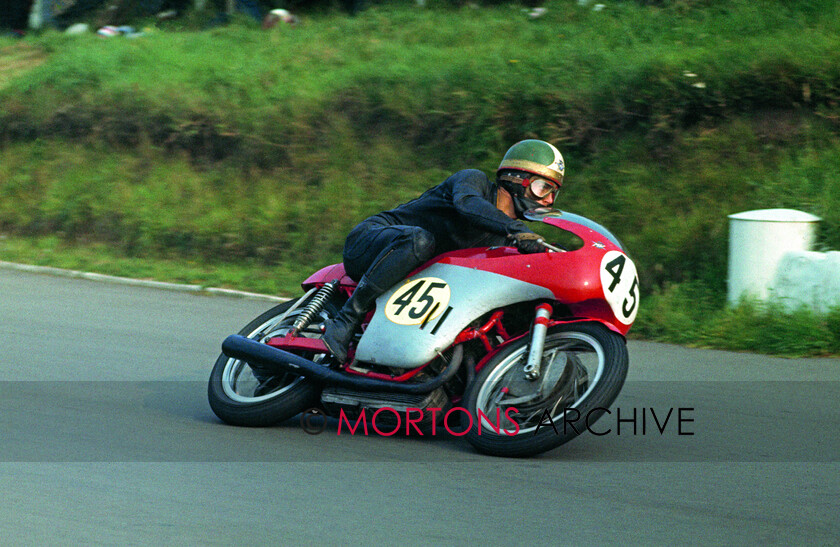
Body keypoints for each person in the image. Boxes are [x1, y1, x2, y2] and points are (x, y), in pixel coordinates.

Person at [323, 139, 566, 362]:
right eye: (542, 188)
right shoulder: (473, 181)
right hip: (371, 244)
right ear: (516, 178)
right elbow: (467, 204)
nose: (548, 201)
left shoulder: (504, 241)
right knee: (420, 240)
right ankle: (346, 319)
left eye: (553, 193)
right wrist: (518, 230)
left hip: (413, 282)